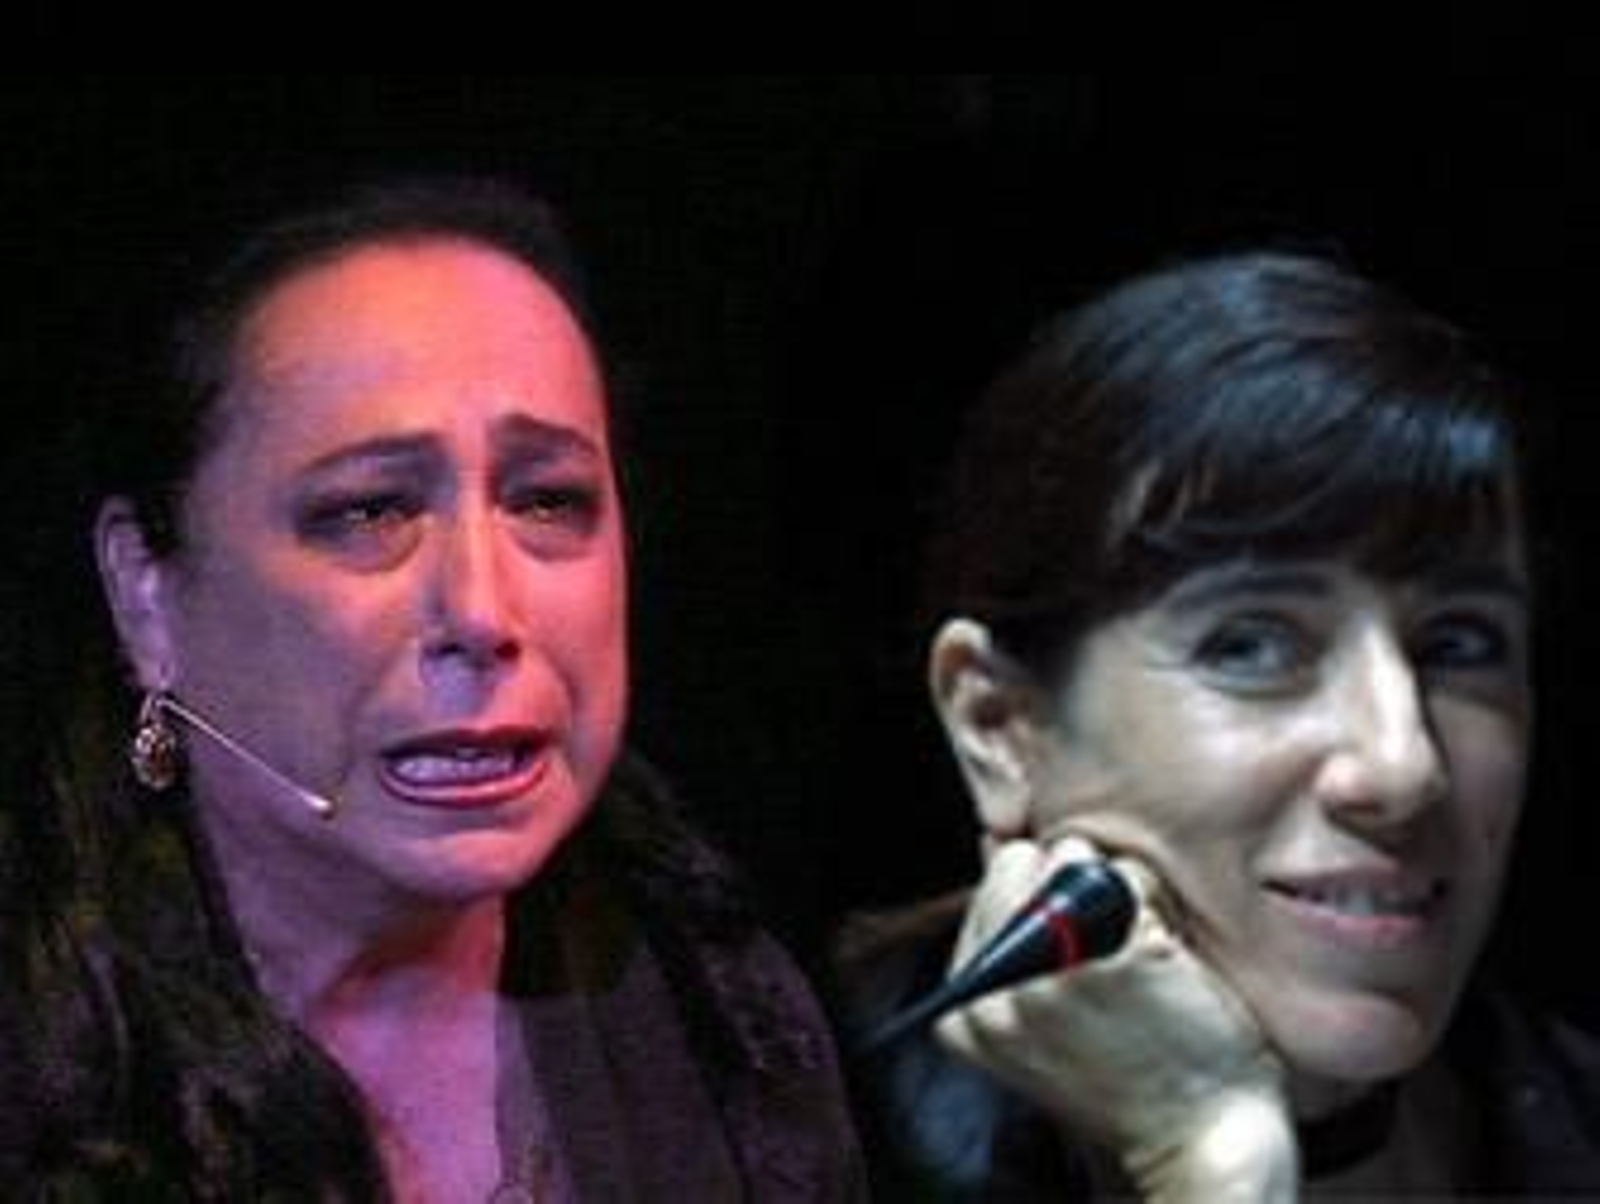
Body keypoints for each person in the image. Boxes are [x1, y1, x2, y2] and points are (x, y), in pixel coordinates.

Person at [0, 175, 866, 1199]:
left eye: (547, 500)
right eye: (371, 511)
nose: (483, 613)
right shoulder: (41, 1071)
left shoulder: (715, 1009)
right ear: (143, 592)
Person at [837, 250, 1600, 1198]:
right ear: (999, 726)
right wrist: (1208, 1150)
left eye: (1460, 643)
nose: (1402, 768)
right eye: (1251, 646)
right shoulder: (787, 1146)